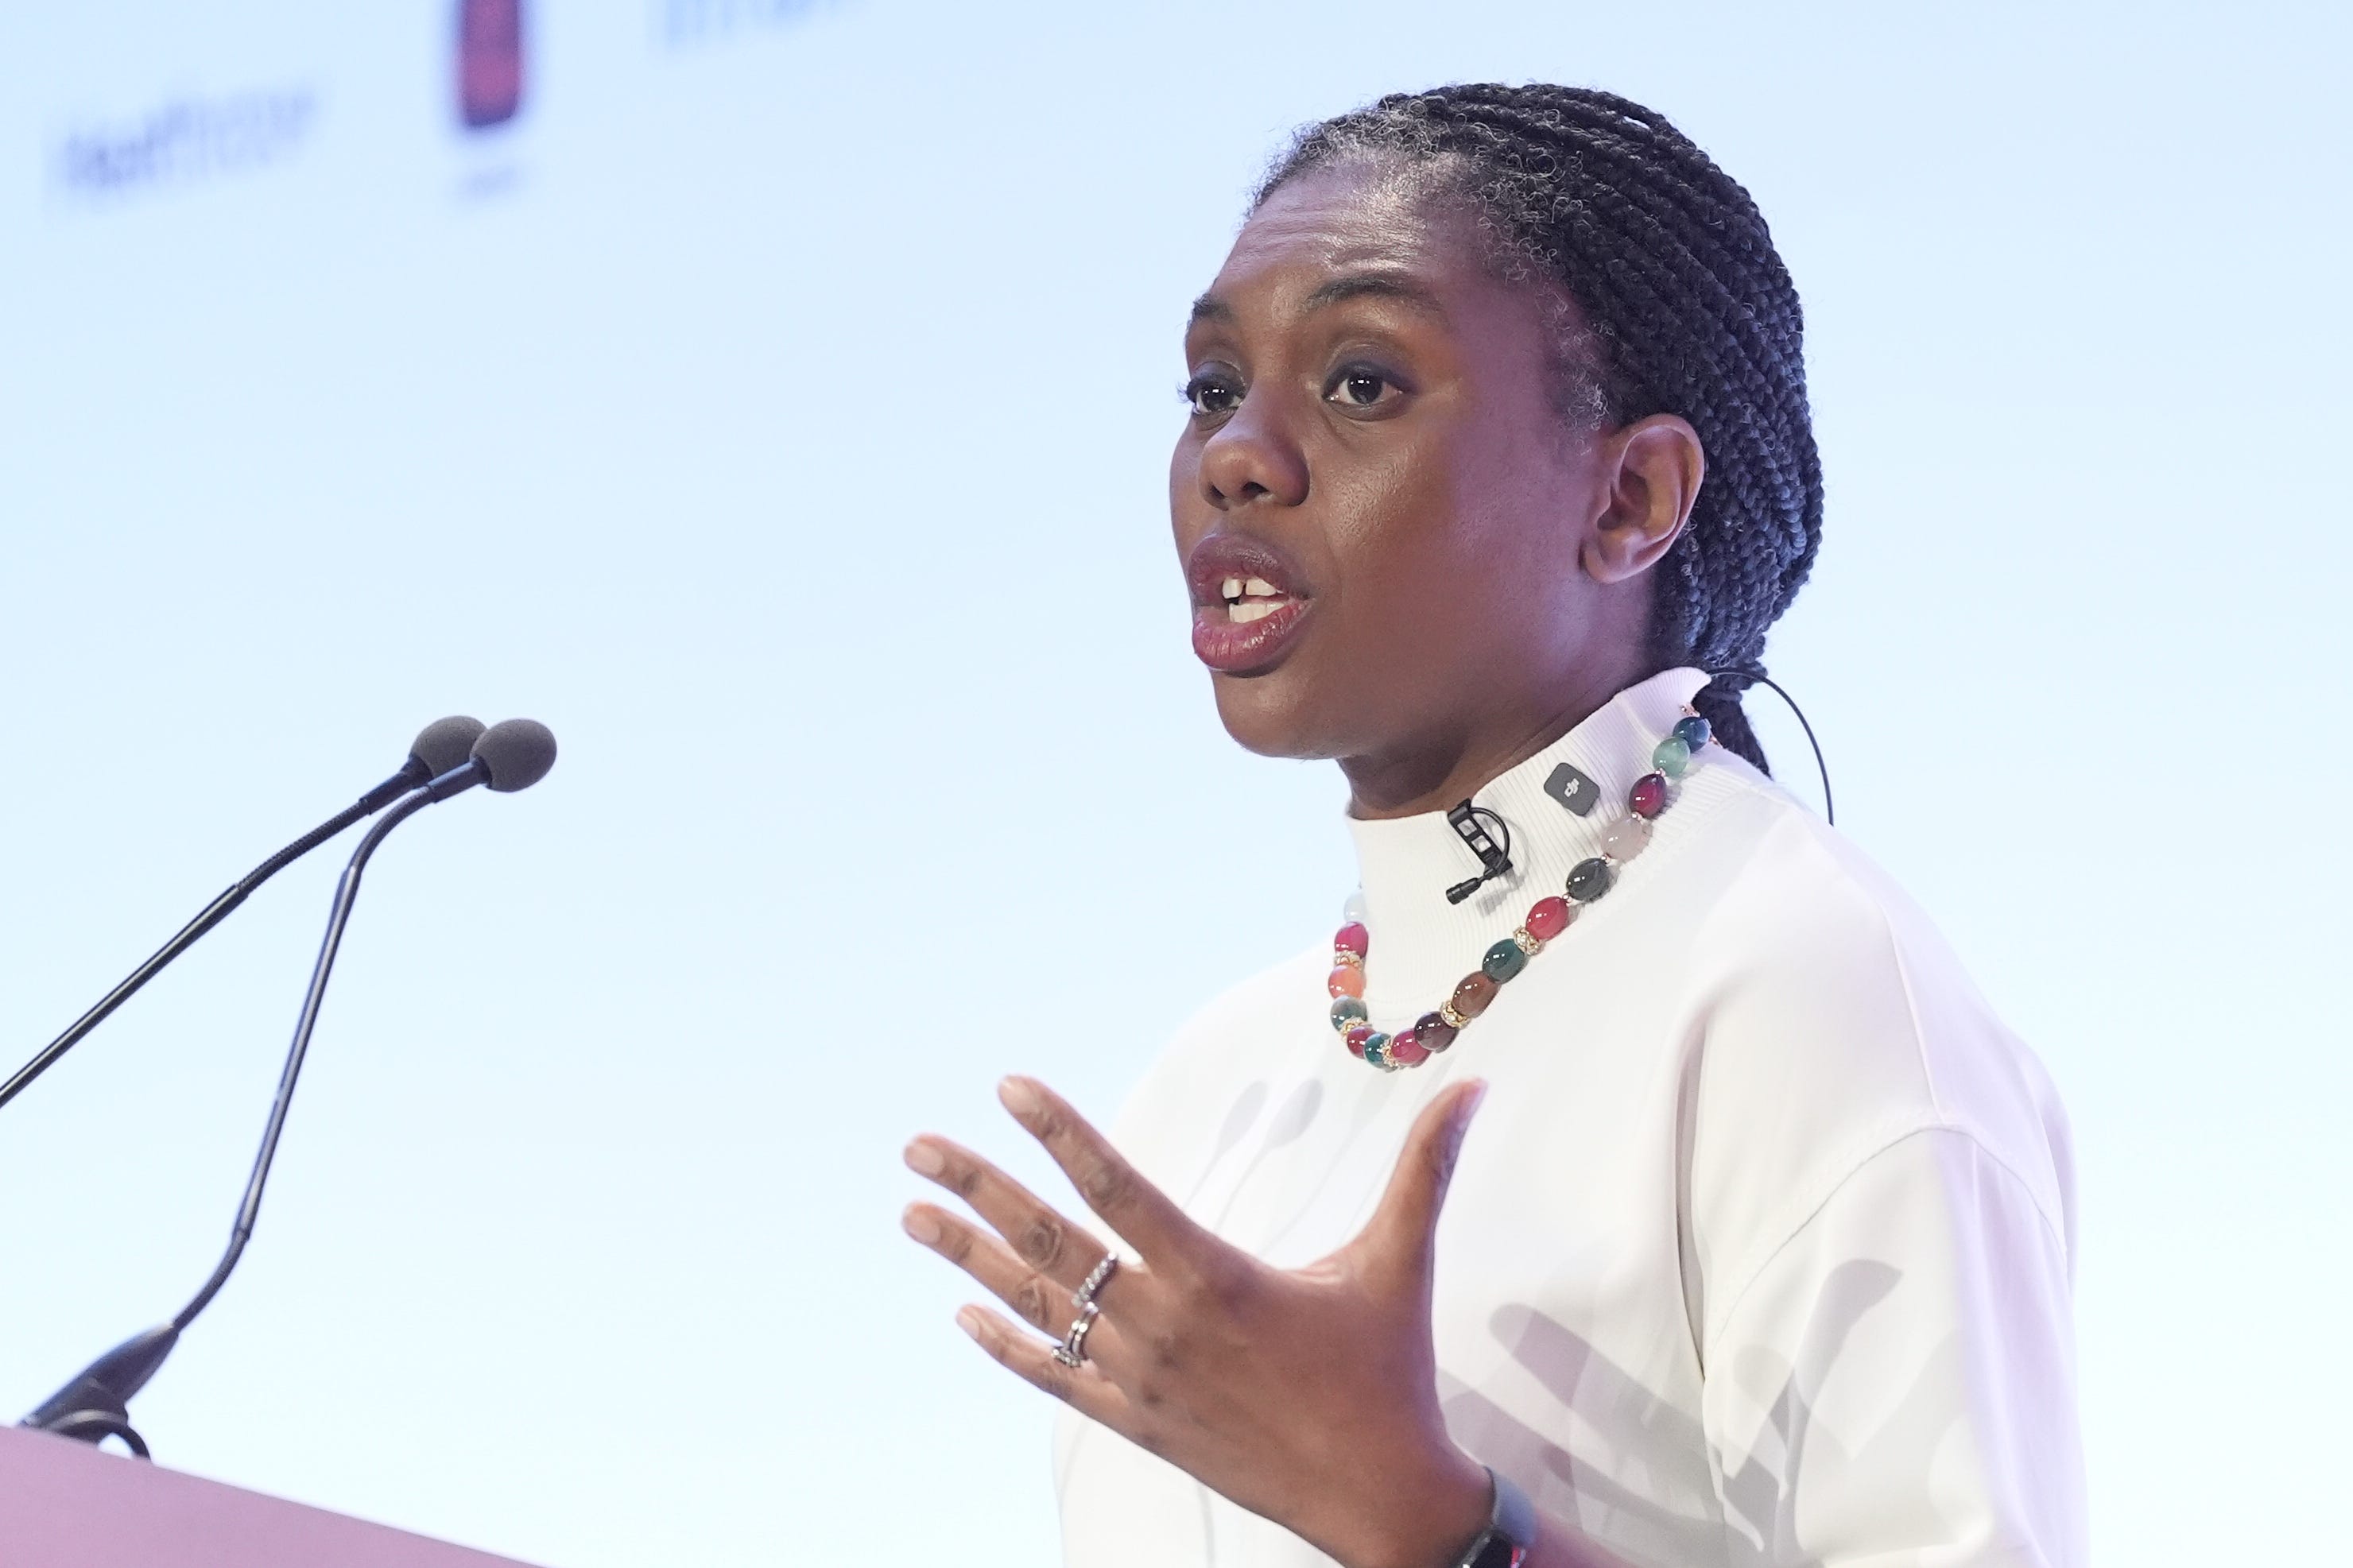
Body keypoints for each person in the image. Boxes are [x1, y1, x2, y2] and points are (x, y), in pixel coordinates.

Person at [897, 83, 2084, 1568]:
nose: (1235, 458)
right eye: (1211, 388)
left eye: (1361, 383)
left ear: (1630, 496)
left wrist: (1436, 1533)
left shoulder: (1803, 987)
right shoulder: (1215, 1085)